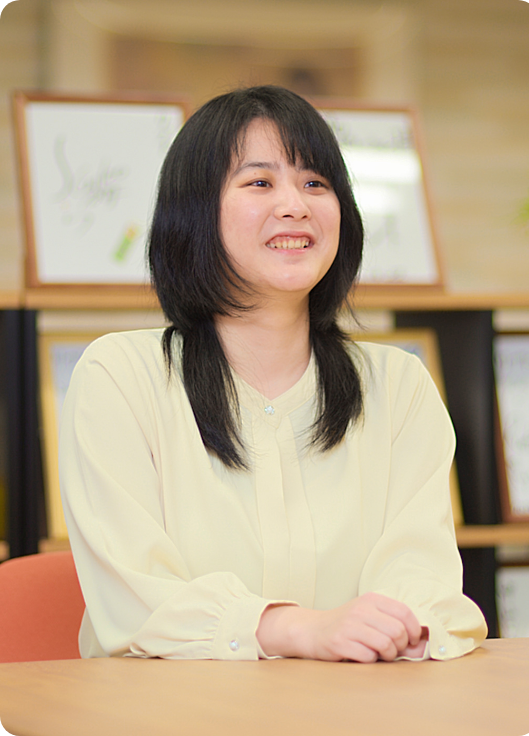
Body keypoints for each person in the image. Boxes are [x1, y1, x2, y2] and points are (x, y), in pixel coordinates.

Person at [59, 85, 487, 663]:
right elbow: (138, 600)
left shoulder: (399, 386)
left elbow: (422, 576)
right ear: (195, 212)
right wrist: (297, 630)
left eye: (316, 183)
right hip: (167, 706)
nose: (295, 205)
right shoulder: (120, 377)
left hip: (357, 701)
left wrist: (399, 628)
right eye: (260, 182)